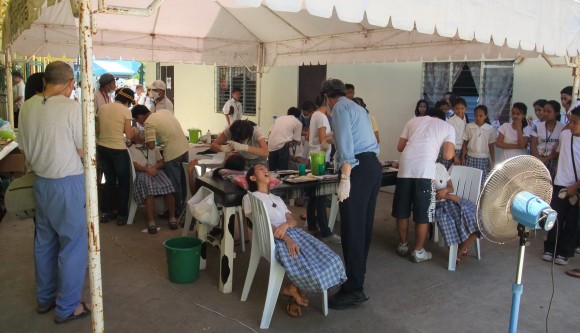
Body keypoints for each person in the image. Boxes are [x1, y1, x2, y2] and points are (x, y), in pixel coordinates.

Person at [18, 61, 91, 323]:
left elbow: (24, 146)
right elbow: (85, 151)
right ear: (71, 83)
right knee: (73, 245)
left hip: (41, 183)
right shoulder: (72, 108)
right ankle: (68, 306)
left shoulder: (27, 107)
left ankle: (45, 298)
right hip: (67, 182)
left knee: (44, 243)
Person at [244, 164, 346, 317]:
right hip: (275, 239)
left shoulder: (277, 198)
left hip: (293, 232)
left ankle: (292, 287)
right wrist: (286, 238)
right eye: (260, 169)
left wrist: (286, 226)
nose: (266, 170)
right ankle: (294, 292)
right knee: (307, 264)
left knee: (331, 259)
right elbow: (262, 223)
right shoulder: (250, 197)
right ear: (253, 178)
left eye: (266, 168)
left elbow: (292, 220)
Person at [320, 78, 381, 310]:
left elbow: (346, 146)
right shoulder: (357, 107)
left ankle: (354, 289)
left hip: (356, 169)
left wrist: (345, 177)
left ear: (327, 98)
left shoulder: (339, 109)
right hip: (371, 166)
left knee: (352, 229)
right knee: (363, 228)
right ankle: (357, 279)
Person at [393, 107, 455, 263]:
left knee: (402, 210)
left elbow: (400, 147)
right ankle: (418, 251)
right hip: (425, 171)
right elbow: (448, 155)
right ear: (443, 118)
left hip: (405, 167)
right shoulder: (447, 127)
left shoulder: (413, 121)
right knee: (423, 214)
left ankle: (403, 245)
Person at [131, 105, 189, 228]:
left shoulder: (149, 122)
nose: (139, 123)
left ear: (140, 116)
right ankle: (182, 210)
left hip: (172, 153)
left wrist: (145, 137)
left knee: (173, 184)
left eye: (137, 120)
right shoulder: (164, 112)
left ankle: (176, 212)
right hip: (184, 149)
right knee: (183, 183)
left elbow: (151, 145)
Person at [542, 104, 580, 266]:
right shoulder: (565, 135)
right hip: (560, 184)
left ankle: (564, 251)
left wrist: (575, 186)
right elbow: (559, 155)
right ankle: (550, 248)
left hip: (576, 187)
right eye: (570, 121)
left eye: (575, 122)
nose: (570, 125)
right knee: (555, 217)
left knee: (572, 221)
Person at [302, 97, 341, 244]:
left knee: (314, 194)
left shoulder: (315, 116)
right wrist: (338, 137)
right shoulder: (322, 116)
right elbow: (324, 139)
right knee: (322, 195)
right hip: (320, 158)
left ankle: (312, 226)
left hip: (314, 157)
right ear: (327, 103)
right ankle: (326, 232)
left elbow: (311, 138)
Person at [96, 87, 136, 225]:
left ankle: (106, 212)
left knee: (109, 181)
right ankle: (122, 215)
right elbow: (129, 135)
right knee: (124, 182)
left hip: (102, 148)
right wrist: (134, 132)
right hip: (118, 149)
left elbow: (98, 130)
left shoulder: (103, 108)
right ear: (128, 101)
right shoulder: (126, 111)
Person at [127, 128, 176, 234]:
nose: (143, 135)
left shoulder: (152, 147)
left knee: (169, 186)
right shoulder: (131, 148)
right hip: (142, 173)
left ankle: (172, 217)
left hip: (155, 171)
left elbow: (161, 161)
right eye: (139, 134)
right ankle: (151, 221)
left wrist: (154, 168)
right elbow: (134, 165)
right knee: (149, 189)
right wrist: (147, 169)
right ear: (134, 137)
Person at [433, 163, 481, 264]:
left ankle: (461, 248)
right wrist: (450, 197)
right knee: (458, 218)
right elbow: (430, 194)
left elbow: (451, 187)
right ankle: (459, 250)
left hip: (452, 200)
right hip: (439, 204)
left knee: (479, 216)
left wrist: (446, 190)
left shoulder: (440, 167)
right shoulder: (425, 170)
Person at [461, 105, 496, 184]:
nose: (478, 118)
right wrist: (463, 157)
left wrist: (493, 161)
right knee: (469, 181)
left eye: (481, 116)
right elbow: (465, 143)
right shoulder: (469, 126)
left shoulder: (490, 128)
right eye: (476, 115)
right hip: (470, 157)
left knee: (481, 181)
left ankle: (480, 196)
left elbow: (491, 146)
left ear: (485, 116)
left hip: (483, 159)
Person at [530, 100, 565, 179]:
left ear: (556, 113)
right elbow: (533, 144)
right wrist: (539, 159)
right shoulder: (537, 126)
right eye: (545, 111)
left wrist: (546, 159)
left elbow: (559, 147)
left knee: (549, 183)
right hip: (537, 159)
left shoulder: (562, 128)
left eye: (549, 112)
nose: (545, 113)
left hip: (553, 160)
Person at [267, 107, 303, 171]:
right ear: (299, 116)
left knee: (272, 171)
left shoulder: (278, 119)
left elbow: (270, 133)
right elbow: (296, 140)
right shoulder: (298, 122)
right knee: (283, 172)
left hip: (270, 146)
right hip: (282, 147)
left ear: (288, 113)